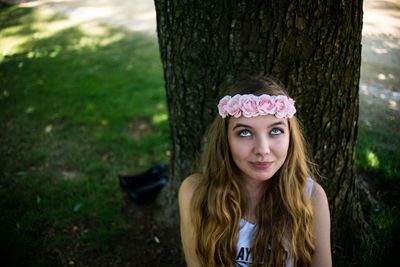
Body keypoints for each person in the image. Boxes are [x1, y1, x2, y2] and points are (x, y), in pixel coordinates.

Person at [178, 76, 332, 267]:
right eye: (245, 132)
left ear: (290, 137)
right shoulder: (194, 192)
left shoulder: (310, 198)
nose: (262, 149)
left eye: (275, 131)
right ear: (226, 140)